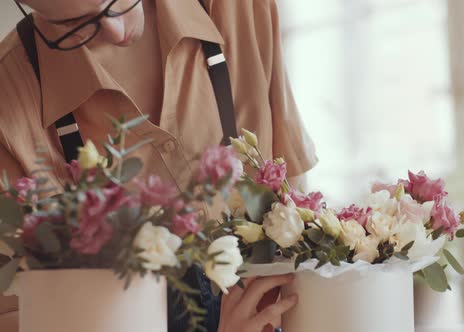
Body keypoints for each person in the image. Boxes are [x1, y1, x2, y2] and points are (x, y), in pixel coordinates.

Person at [0, 0, 318, 331]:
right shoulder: (8, 108)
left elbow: (293, 190)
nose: (117, 32)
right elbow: (16, 316)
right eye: (75, 23)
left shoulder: (238, 9)